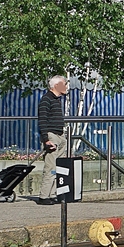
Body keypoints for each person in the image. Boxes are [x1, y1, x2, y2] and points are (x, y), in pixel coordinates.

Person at [36, 75, 69, 204]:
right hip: (52, 135)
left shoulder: (57, 99)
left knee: (58, 166)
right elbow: (42, 119)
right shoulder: (46, 99)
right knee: (50, 166)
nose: (66, 87)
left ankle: (52, 194)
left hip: (60, 135)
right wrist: (46, 139)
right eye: (64, 84)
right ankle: (44, 196)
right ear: (56, 86)